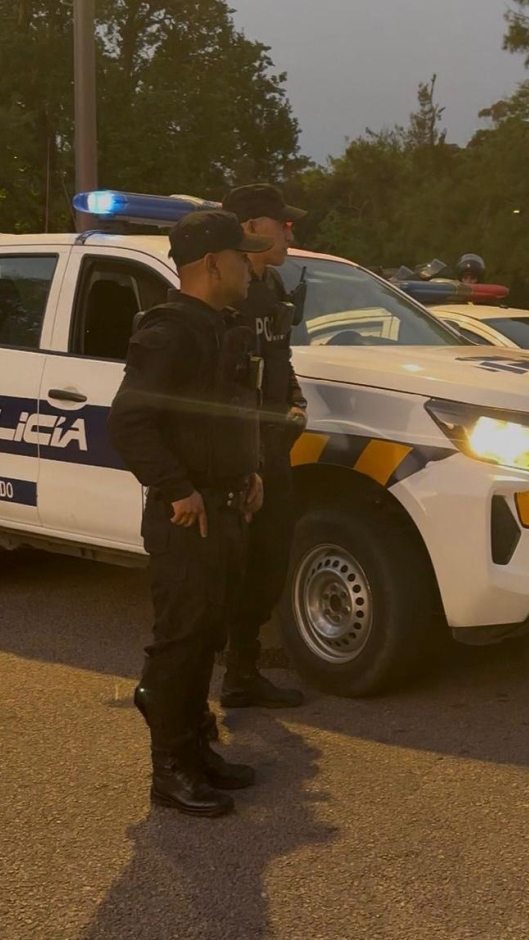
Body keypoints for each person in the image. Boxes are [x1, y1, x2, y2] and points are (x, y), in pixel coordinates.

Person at [107, 209, 271, 818]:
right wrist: (177, 488)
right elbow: (128, 421)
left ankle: (197, 748)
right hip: (187, 517)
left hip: (223, 507)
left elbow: (220, 415)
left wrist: (247, 472)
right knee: (180, 641)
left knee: (207, 634)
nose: (250, 267)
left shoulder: (216, 326)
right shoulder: (171, 331)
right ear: (212, 264)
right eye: (241, 256)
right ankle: (169, 768)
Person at [218, 183, 308, 710]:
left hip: (273, 447)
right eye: (282, 223)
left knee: (271, 561)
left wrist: (294, 399)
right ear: (252, 228)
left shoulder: (271, 286)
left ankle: (243, 672)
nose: (290, 232)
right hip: (235, 452)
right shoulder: (222, 291)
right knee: (233, 567)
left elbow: (279, 357)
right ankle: (223, 675)